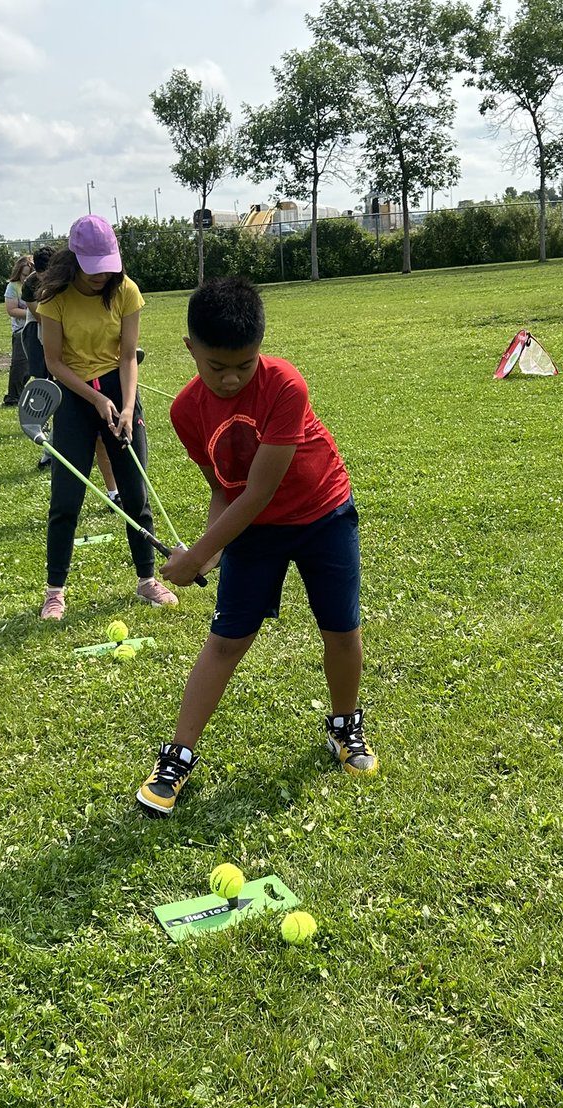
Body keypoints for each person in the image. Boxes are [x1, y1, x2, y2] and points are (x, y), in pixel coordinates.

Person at [136, 277, 376, 816]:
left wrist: (198, 555)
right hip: (254, 530)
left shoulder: (285, 384)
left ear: (259, 351)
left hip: (323, 515)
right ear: (190, 348)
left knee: (341, 630)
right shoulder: (184, 412)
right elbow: (227, 486)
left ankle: (345, 727)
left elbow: (263, 487)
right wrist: (212, 548)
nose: (230, 378)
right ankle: (176, 756)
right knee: (225, 640)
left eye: (243, 365)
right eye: (216, 365)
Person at [35, 214, 178, 619]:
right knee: (66, 497)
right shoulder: (55, 299)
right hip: (75, 397)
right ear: (75, 258)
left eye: (107, 266)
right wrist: (94, 400)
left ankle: (147, 579)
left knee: (135, 493)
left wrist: (128, 406)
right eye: (93, 267)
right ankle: (55, 590)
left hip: (120, 389)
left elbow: (128, 355)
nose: (102, 276)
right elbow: (55, 363)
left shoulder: (126, 291)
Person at [23, 243, 123, 494]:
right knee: (50, 398)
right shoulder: (38, 289)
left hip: (98, 380)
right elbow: (43, 328)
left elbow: (128, 353)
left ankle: (113, 491)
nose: (100, 277)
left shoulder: (120, 290)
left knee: (102, 439)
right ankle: (50, 449)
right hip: (46, 349)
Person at [3, 255, 33, 405]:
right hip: (21, 330)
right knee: (20, 365)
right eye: (24, 275)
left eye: (29, 275)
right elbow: (12, 310)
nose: (26, 279)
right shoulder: (13, 287)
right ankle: (13, 397)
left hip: (39, 328)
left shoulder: (38, 284)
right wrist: (34, 313)